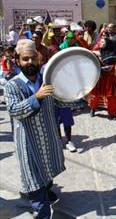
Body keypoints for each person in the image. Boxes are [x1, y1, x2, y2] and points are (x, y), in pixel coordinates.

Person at [4, 39, 70, 218]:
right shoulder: (12, 85)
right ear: (18, 61)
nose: (30, 63)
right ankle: (41, 211)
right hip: (29, 143)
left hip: (48, 137)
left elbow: (60, 100)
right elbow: (14, 110)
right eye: (25, 59)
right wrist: (37, 97)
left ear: (39, 59)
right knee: (34, 181)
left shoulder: (46, 80)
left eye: (33, 58)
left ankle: (46, 190)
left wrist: (79, 94)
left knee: (48, 170)